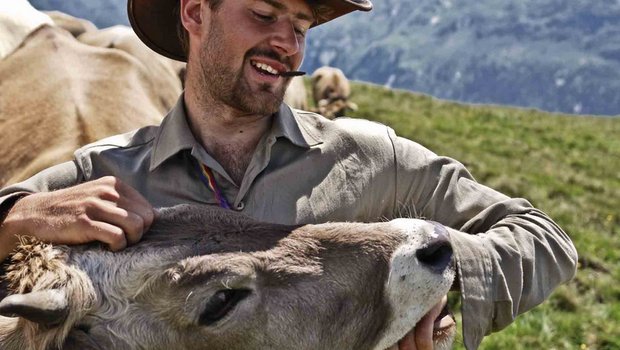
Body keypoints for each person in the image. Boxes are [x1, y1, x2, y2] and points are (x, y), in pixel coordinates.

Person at [0, 0, 577, 349]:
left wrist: (436, 279)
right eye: (264, 13)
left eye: (300, 25)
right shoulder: (101, 173)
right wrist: (13, 217)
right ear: (195, 12)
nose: (287, 41)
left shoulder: (372, 158)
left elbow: (546, 239)